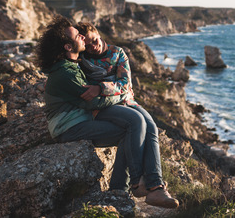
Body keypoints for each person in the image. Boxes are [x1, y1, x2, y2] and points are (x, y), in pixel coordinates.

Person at [35, 17, 178, 208]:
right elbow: (92, 101)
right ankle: (136, 183)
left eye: (87, 37)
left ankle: (124, 190)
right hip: (69, 126)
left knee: (145, 125)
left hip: (82, 117)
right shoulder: (68, 71)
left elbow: (117, 86)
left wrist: (105, 89)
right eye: (79, 36)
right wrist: (117, 94)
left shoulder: (77, 63)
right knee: (135, 123)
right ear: (68, 47)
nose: (85, 40)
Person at [74, 22, 175, 206]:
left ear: (98, 33)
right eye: (87, 45)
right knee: (136, 123)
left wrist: (101, 87)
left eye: (94, 41)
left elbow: (125, 84)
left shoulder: (117, 52)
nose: (92, 47)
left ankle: (155, 187)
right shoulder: (82, 59)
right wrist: (105, 90)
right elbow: (87, 89)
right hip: (103, 107)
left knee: (151, 125)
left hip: (126, 101)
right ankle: (139, 183)